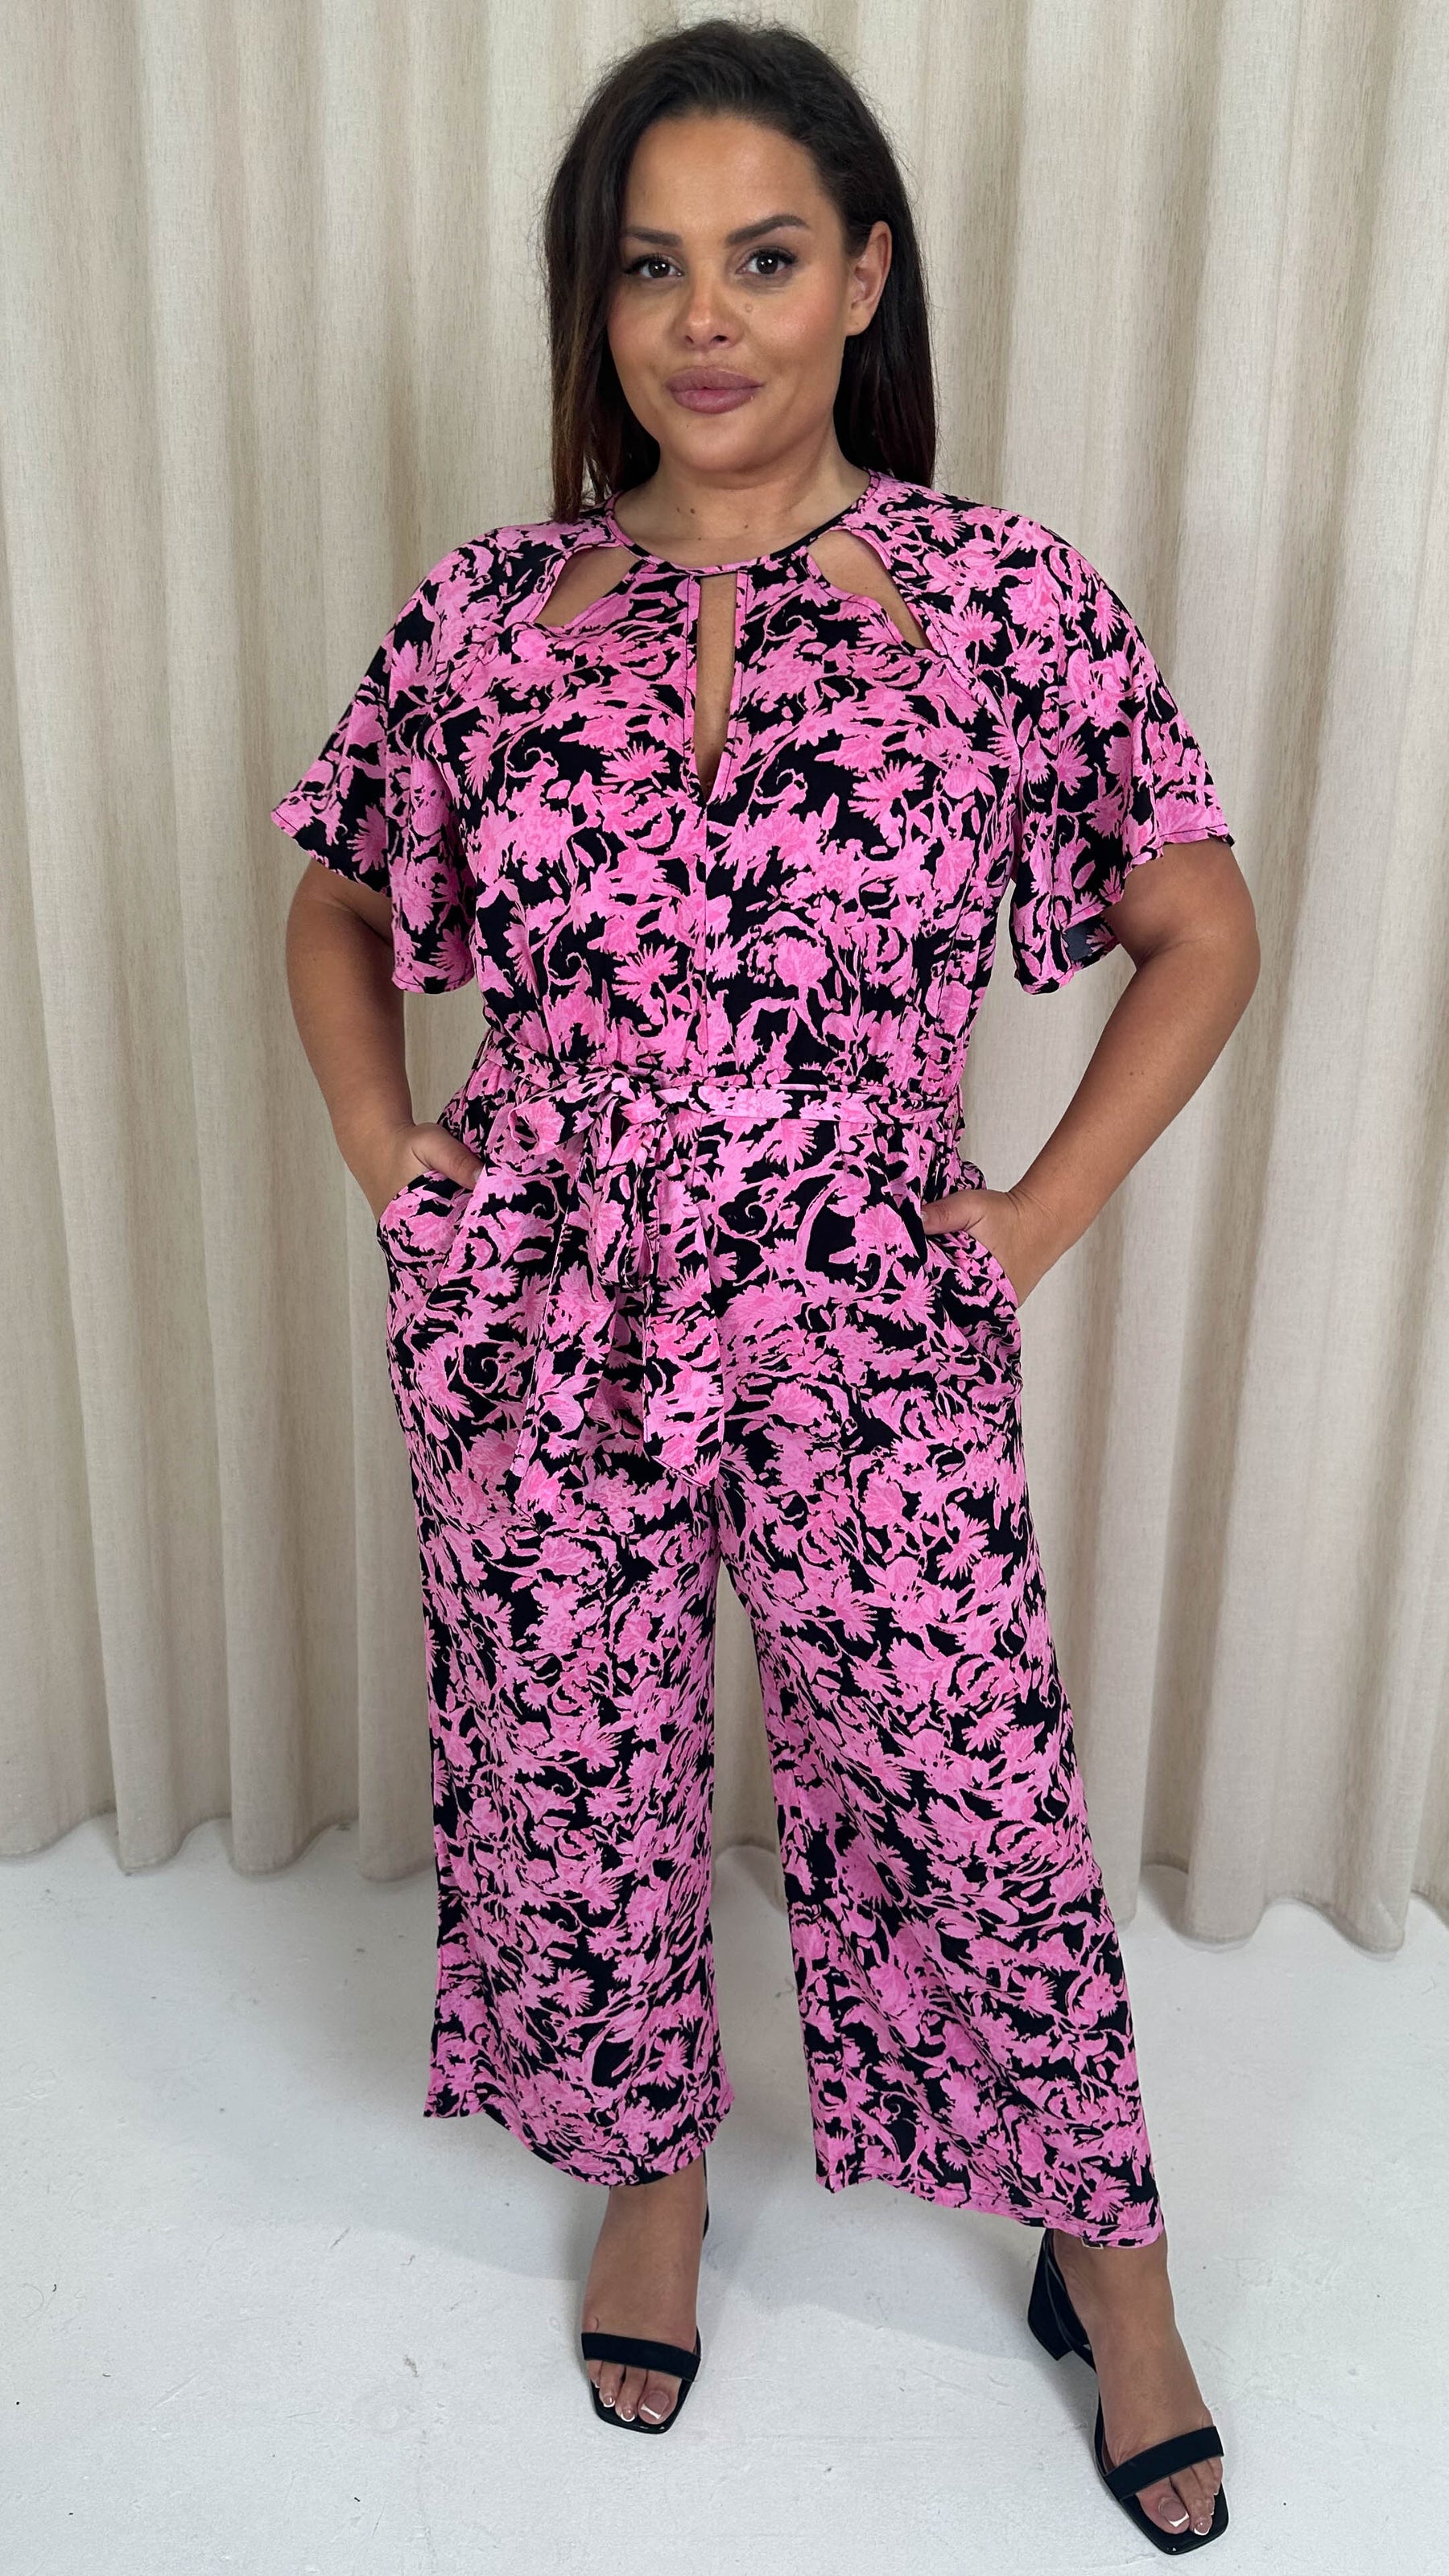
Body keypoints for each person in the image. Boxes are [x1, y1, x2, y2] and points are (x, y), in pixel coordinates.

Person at [274, 18, 1256, 2552]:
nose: (703, 319)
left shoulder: (1000, 603)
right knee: (577, 1773)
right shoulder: (494, 616)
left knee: (971, 1787)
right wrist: (397, 1162)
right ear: (596, 308)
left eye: (764, 257)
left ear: (865, 280)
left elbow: (1200, 928)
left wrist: (1023, 1220)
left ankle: (1114, 2260)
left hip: (864, 1320)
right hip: (549, 1315)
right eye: (648, 268)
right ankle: (653, 2171)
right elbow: (345, 901)